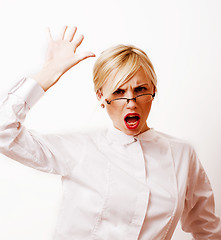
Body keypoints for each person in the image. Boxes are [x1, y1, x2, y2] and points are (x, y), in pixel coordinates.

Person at [0, 25, 221, 240]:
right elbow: (4, 132)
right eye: (119, 91)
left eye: (140, 89)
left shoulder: (182, 155)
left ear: (154, 89)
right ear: (101, 98)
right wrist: (49, 72)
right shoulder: (79, 148)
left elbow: (208, 230)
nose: (131, 102)